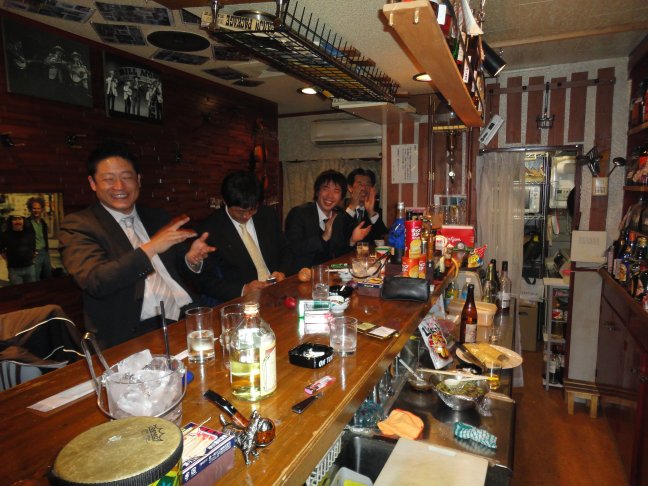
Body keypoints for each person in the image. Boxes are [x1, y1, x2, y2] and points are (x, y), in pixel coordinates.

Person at [59, 141, 215, 349]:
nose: (119, 186)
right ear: (93, 183)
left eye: (126, 177)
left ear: (138, 180)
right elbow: (96, 281)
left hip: (186, 314)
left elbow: (177, 266)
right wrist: (151, 248)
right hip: (134, 331)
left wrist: (191, 259)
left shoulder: (156, 217)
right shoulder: (78, 225)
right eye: (109, 179)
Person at [196, 171, 294, 302]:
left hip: (277, 293)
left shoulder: (267, 215)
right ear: (225, 201)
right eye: (240, 212)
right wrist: (243, 290)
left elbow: (286, 250)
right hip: (241, 301)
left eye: (252, 209)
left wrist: (282, 272)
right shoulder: (209, 230)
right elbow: (204, 280)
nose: (247, 216)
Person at [285, 169, 371, 271]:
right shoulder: (299, 214)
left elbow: (338, 255)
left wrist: (352, 240)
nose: (330, 195)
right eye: (326, 188)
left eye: (336, 191)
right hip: (301, 275)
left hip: (329, 275)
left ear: (341, 197)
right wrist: (324, 238)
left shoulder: (338, 217)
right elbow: (293, 249)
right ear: (317, 191)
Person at [345, 168, 388, 243]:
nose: (364, 188)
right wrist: (351, 207)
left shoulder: (377, 212)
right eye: (360, 184)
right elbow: (339, 235)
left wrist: (371, 213)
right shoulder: (340, 210)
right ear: (350, 188)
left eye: (368, 185)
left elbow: (384, 236)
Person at [0, 215, 36, 285]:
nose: (17, 221)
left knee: (32, 290)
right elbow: (1, 249)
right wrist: (8, 258)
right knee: (18, 291)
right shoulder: (5, 235)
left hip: (30, 268)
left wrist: (33, 253)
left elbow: (33, 245)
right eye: (14, 219)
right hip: (14, 270)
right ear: (11, 221)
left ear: (23, 221)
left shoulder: (29, 233)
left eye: (20, 219)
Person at [26, 196, 52, 280]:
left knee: (48, 275)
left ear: (42, 209)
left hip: (45, 252)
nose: (36, 210)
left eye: (38, 208)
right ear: (30, 209)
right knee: (35, 278)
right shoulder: (26, 223)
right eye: (34, 208)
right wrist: (30, 253)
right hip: (34, 254)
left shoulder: (43, 223)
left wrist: (47, 251)